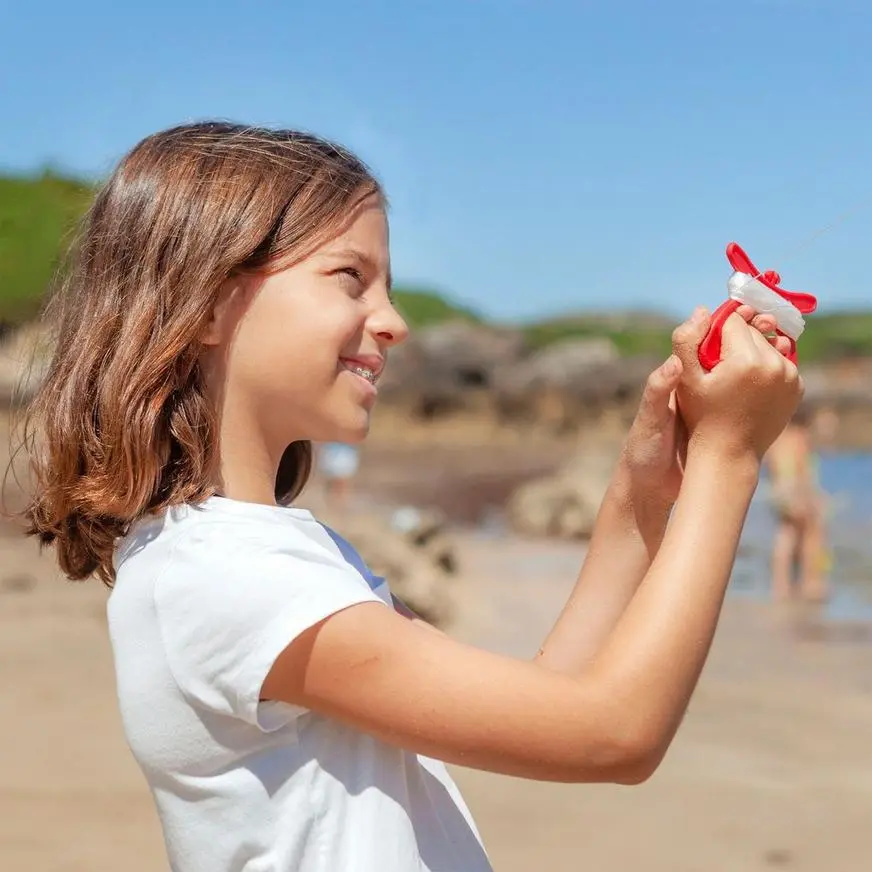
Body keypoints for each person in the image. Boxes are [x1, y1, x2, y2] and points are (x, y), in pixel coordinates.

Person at [14, 122, 802, 872]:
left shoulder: (264, 557)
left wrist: (643, 492)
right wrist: (731, 460)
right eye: (350, 277)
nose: (391, 321)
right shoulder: (225, 579)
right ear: (210, 302)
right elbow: (613, 733)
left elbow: (554, 701)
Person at [765, 405, 829, 602]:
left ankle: (780, 585)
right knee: (812, 533)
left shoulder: (776, 439)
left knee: (786, 534)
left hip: (778, 490)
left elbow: (771, 467)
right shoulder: (800, 439)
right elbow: (803, 471)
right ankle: (811, 583)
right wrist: (813, 497)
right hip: (796, 490)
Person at [316, 440, 360, 509]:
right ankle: (334, 502)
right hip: (334, 451)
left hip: (342, 451)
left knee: (342, 480)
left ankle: (340, 503)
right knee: (335, 481)